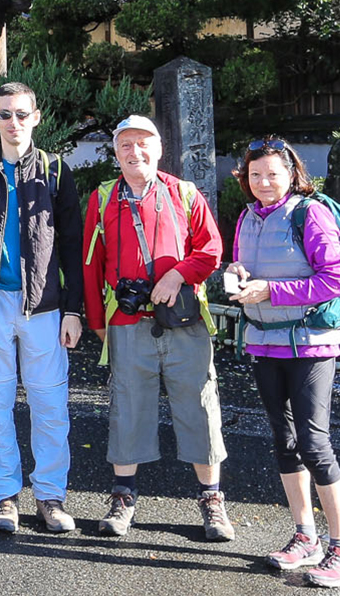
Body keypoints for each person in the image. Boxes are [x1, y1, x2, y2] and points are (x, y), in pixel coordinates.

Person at [80, 115, 232, 541]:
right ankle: (123, 496)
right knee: (127, 408)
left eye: (143, 143)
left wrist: (179, 274)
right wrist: (97, 321)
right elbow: (91, 264)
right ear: (116, 152)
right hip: (127, 322)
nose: (135, 152)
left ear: (160, 148)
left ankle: (212, 500)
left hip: (184, 320)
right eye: (126, 145)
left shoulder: (184, 193)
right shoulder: (103, 197)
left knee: (201, 406)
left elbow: (211, 248)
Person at [0, 82, 84, 534]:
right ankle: (4, 496)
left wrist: (74, 310)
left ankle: (50, 496)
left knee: (49, 406)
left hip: (44, 306)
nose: (14, 123)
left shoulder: (56, 171)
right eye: (5, 114)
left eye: (22, 114)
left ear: (36, 117)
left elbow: (72, 245)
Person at [226, 137, 340, 587]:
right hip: (265, 343)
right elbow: (246, 267)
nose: (264, 182)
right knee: (285, 442)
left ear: (292, 175)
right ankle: (306, 537)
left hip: (311, 345)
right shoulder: (247, 217)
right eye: (255, 174)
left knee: (315, 444)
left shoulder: (309, 213)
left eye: (273, 174)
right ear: (245, 178)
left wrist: (271, 291)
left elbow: (335, 279)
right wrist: (238, 277)